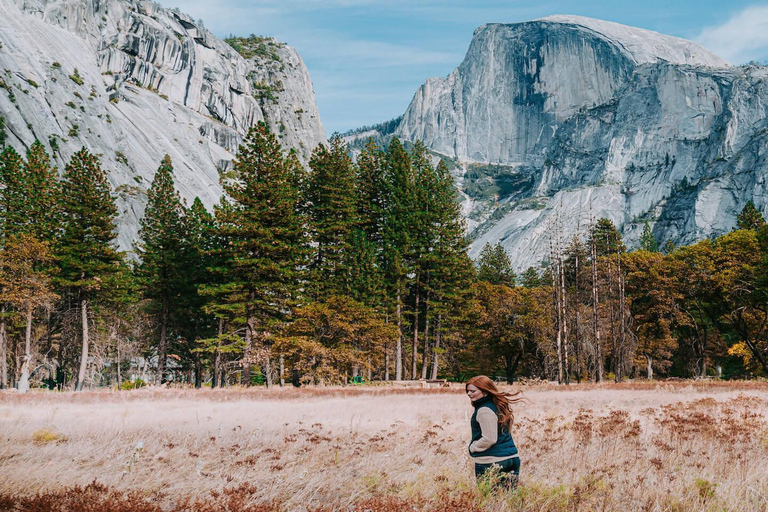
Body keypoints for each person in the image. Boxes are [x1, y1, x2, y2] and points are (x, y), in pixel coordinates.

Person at [466, 375, 522, 489]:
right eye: (467, 391)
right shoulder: (498, 405)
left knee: (490, 502)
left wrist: (473, 447)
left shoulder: (484, 411)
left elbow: (490, 438)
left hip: (491, 461)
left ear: (485, 391)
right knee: (508, 502)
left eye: (473, 391)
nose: (469, 394)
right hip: (512, 458)